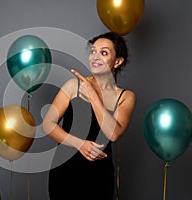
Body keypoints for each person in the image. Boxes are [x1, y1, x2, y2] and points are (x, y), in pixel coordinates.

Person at [42, 32, 136, 199]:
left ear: (118, 61)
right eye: (93, 51)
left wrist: (92, 95)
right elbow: (48, 124)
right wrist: (80, 144)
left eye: (104, 52)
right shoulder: (73, 85)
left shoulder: (126, 97)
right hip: (65, 173)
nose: (95, 57)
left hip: (100, 176)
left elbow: (113, 134)